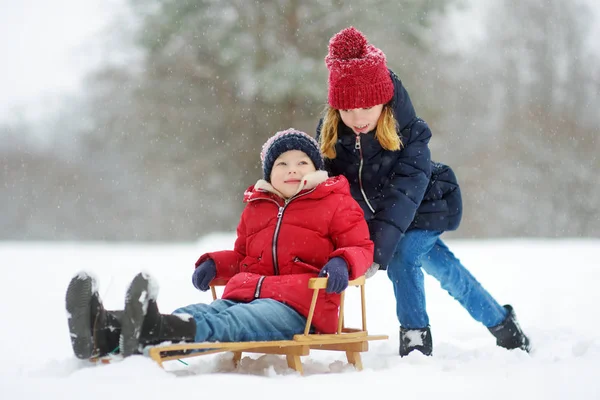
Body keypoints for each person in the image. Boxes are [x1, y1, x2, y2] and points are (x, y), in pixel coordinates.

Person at [65, 128, 374, 360]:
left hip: (301, 307)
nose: (292, 169)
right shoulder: (258, 208)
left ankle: (157, 333)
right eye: (281, 163)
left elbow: (361, 246)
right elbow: (242, 257)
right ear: (269, 173)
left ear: (317, 170)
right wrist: (216, 263)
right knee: (202, 310)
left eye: (302, 162)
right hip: (246, 293)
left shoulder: (334, 204)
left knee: (233, 321)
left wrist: (342, 263)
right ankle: (106, 330)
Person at [316, 26, 531, 357]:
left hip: (424, 208)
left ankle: (415, 338)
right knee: (446, 270)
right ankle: (503, 323)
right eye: (347, 110)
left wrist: (377, 251)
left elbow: (404, 194)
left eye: (367, 108)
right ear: (335, 108)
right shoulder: (332, 136)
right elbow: (329, 191)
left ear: (384, 103)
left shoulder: (409, 133)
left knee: (403, 258)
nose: (357, 118)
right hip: (385, 220)